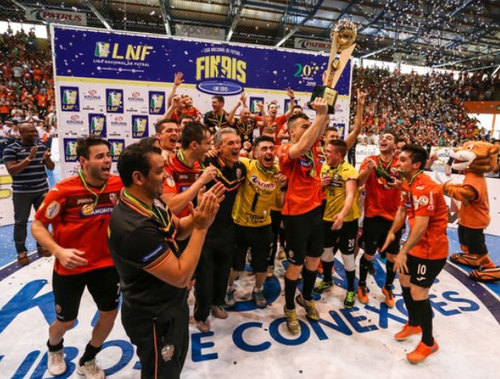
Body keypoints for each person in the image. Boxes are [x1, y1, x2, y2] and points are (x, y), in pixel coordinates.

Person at [107, 138, 220, 379]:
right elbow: (181, 276)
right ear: (138, 178)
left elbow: (177, 229)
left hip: (170, 307)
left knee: (173, 367)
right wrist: (202, 227)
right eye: (159, 171)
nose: (166, 175)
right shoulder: (134, 228)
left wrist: (197, 217)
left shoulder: (149, 199)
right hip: (154, 317)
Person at [31, 136, 123, 377]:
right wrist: (58, 251)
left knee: (109, 315)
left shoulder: (118, 185)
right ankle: (54, 347)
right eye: (100, 156)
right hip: (70, 269)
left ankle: (88, 358)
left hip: (107, 266)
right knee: (66, 321)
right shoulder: (63, 191)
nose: (107, 161)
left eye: (108, 155)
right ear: (83, 161)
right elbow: (38, 226)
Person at [381, 144, 448, 364]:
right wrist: (392, 232)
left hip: (431, 250)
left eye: (402, 160)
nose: (397, 163)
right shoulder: (408, 183)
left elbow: (420, 226)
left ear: (416, 164)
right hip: (417, 247)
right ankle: (414, 323)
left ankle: (429, 342)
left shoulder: (425, 187)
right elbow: (403, 209)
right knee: (404, 279)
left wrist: (402, 251)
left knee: (419, 292)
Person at [277, 97, 329, 335]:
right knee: (296, 265)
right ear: (291, 133)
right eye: (304, 127)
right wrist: (318, 117)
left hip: (317, 211)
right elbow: (300, 149)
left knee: (313, 261)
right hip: (295, 215)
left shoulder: (316, 146)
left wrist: (323, 109)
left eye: (310, 127)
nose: (310, 130)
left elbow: (321, 125)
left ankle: (306, 298)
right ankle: (289, 307)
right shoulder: (286, 148)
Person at [194, 128, 246, 332]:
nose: (236, 146)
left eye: (238, 142)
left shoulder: (241, 168)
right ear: (218, 147)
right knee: (205, 278)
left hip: (228, 230)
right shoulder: (206, 164)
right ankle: (201, 314)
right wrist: (206, 154)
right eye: (230, 143)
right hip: (206, 231)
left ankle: (217, 303)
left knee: (223, 273)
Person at [226, 136, 287, 308]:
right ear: (255, 153)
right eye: (264, 149)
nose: (269, 152)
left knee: (262, 266)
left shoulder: (277, 173)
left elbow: (280, 204)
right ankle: (228, 288)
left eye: (271, 148)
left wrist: (283, 187)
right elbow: (229, 160)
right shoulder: (246, 165)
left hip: (263, 226)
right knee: (236, 265)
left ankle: (258, 290)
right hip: (240, 225)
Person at [356, 131, 402, 307]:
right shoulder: (369, 159)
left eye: (389, 138)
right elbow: (360, 182)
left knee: (392, 256)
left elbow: (407, 185)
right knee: (369, 253)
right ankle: (362, 284)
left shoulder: (399, 164)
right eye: (382, 137)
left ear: (395, 145)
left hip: (394, 217)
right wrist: (368, 169)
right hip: (373, 214)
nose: (384, 139)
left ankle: (388, 287)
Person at [313, 140, 360, 308]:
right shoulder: (325, 167)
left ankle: (350, 289)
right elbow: (319, 191)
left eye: (329, 151)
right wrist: (321, 185)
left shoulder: (349, 170)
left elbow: (350, 195)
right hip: (327, 217)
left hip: (347, 220)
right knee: (325, 252)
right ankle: (327, 280)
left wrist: (342, 214)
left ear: (338, 155)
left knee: (347, 256)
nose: (326, 154)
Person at [3, 122, 54, 265]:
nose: (34, 134)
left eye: (34, 131)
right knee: (20, 222)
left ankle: (42, 245)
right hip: (22, 192)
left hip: (42, 190)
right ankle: (21, 252)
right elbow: (12, 170)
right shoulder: (10, 149)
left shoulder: (41, 146)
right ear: (21, 133)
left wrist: (47, 158)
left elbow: (51, 167)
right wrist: (29, 158)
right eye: (30, 132)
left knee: (43, 220)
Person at [161, 122, 218, 218]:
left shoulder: (198, 164)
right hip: (168, 228)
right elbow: (171, 208)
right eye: (208, 143)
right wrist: (200, 181)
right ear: (194, 145)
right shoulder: (167, 163)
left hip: (188, 225)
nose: (210, 148)